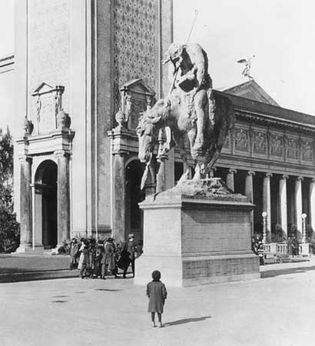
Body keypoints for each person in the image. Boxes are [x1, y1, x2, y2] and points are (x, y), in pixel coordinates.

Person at [162, 42, 214, 153]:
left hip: (200, 84)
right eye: (176, 60)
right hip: (184, 87)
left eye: (180, 59)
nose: (179, 61)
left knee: (198, 102)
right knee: (167, 106)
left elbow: (202, 70)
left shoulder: (195, 49)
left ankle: (200, 135)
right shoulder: (173, 60)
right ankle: (170, 140)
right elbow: (171, 78)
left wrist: (195, 88)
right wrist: (181, 80)